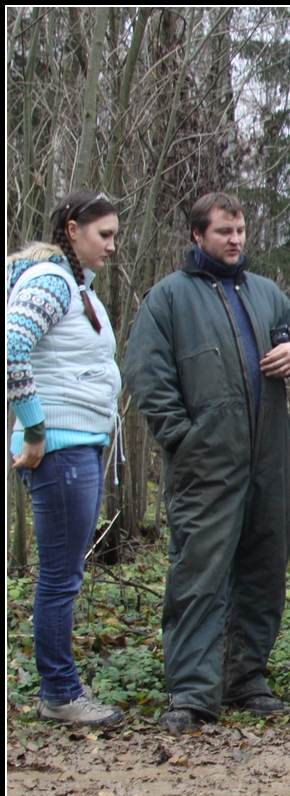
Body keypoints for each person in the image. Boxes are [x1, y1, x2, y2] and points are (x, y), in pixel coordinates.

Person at [123, 192, 290, 734]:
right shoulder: (168, 299)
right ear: (198, 235)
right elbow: (146, 376)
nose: (235, 240)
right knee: (199, 575)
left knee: (265, 569)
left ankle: (245, 678)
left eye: (240, 231)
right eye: (223, 232)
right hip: (206, 463)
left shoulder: (264, 292)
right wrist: (183, 440)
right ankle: (192, 691)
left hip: (270, 460)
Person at [6, 190, 124, 727]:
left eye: (115, 235)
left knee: (64, 575)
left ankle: (60, 689)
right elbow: (12, 348)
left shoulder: (77, 287)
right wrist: (33, 429)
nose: (112, 246)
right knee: (59, 579)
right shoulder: (52, 280)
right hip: (59, 450)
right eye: (104, 234)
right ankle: (59, 693)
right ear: (72, 230)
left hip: (78, 446)